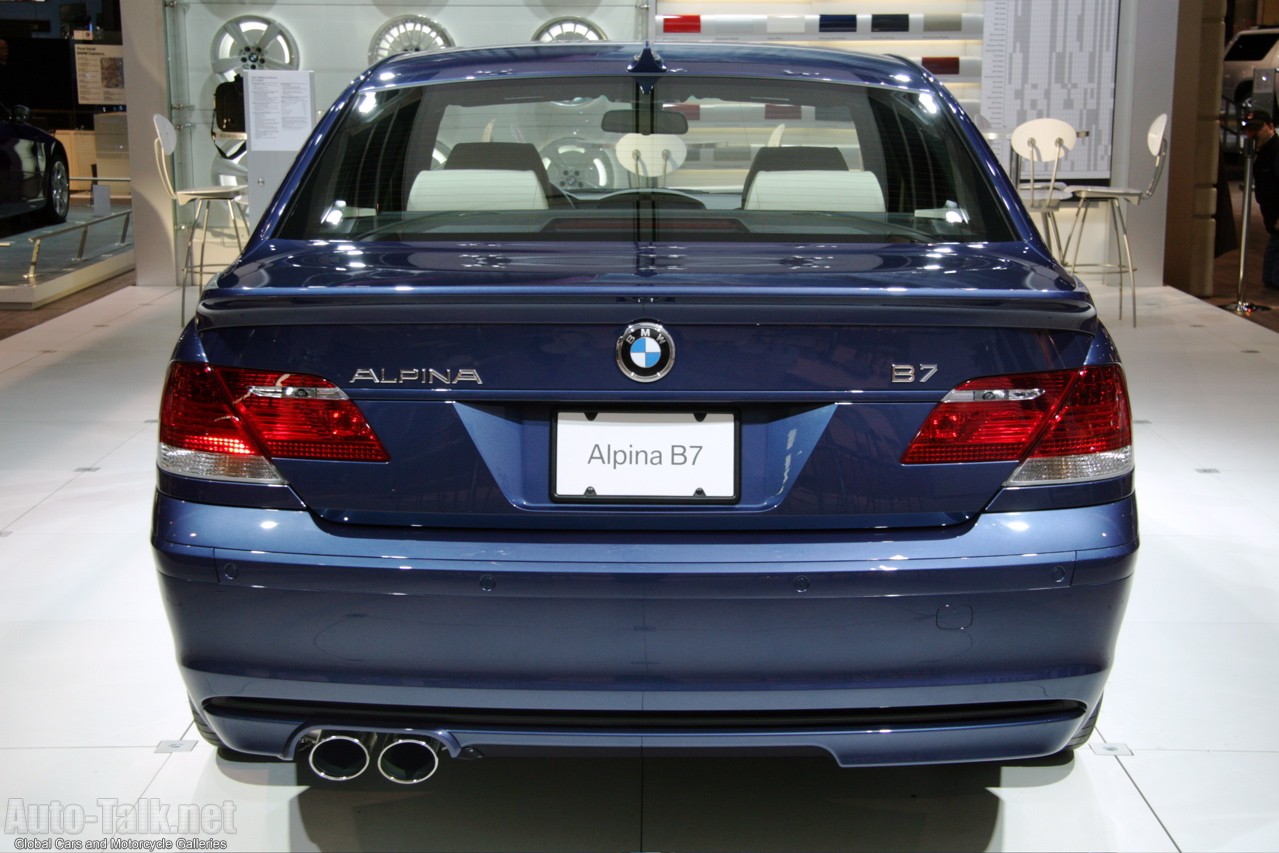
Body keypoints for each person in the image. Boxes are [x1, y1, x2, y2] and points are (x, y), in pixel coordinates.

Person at [1242, 109, 1279, 290]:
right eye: (1249, 129)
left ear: (1270, 127)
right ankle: (1271, 280)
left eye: (1257, 128)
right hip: (1271, 211)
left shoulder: (1274, 151)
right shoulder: (1263, 153)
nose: (1252, 133)